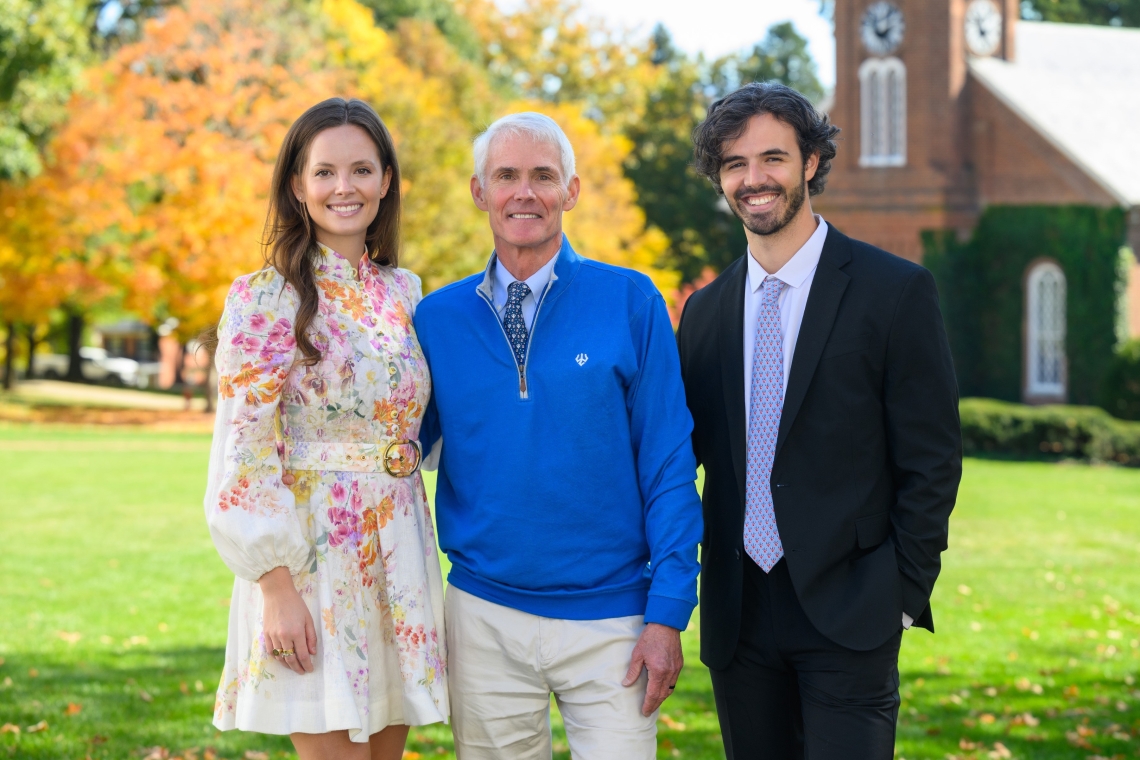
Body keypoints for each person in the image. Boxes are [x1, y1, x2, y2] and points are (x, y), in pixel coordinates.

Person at [676, 82, 962, 758]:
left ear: (810, 162)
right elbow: (680, 455)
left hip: (852, 609)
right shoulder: (706, 312)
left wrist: (899, 593)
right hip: (738, 616)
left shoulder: (894, 292)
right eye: (735, 164)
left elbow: (932, 461)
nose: (754, 179)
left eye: (772, 158)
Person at [412, 112, 703, 759]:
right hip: (482, 615)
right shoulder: (436, 318)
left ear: (570, 191)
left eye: (543, 176)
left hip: (613, 620)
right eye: (506, 176)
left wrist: (667, 613)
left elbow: (668, 464)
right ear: (478, 191)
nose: (525, 192)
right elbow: (398, 445)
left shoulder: (631, 300)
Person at [203, 97, 448, 760]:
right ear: (297, 185)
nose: (345, 187)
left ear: (387, 180)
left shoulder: (407, 293)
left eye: (362, 170)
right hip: (311, 555)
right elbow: (241, 455)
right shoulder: (264, 296)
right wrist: (274, 587)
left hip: (400, 545)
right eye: (326, 172)